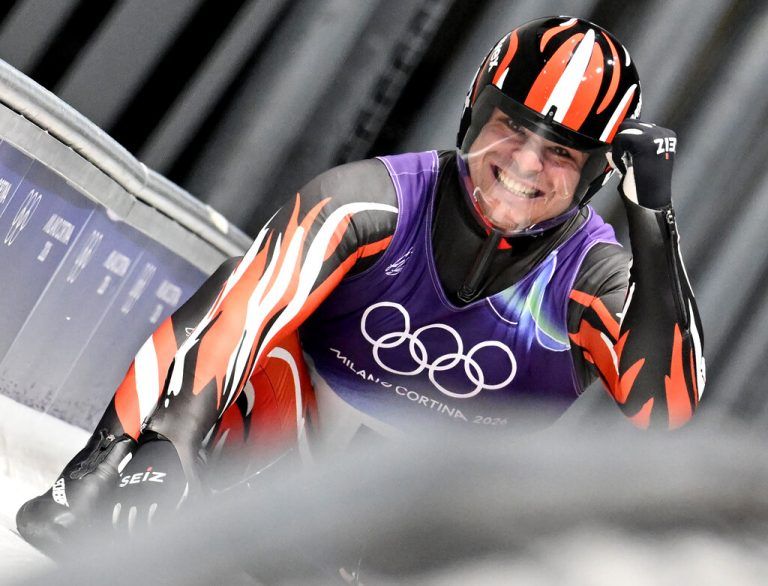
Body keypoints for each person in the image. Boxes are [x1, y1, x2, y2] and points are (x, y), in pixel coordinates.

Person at [17, 16, 704, 553]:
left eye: (560, 152)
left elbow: (666, 409)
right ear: (473, 115)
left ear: (596, 175)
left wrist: (653, 220)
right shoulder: (369, 202)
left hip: (401, 531)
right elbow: (244, 311)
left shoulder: (593, 275)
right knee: (246, 281)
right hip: (260, 471)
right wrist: (167, 449)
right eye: (510, 129)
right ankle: (99, 475)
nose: (524, 164)